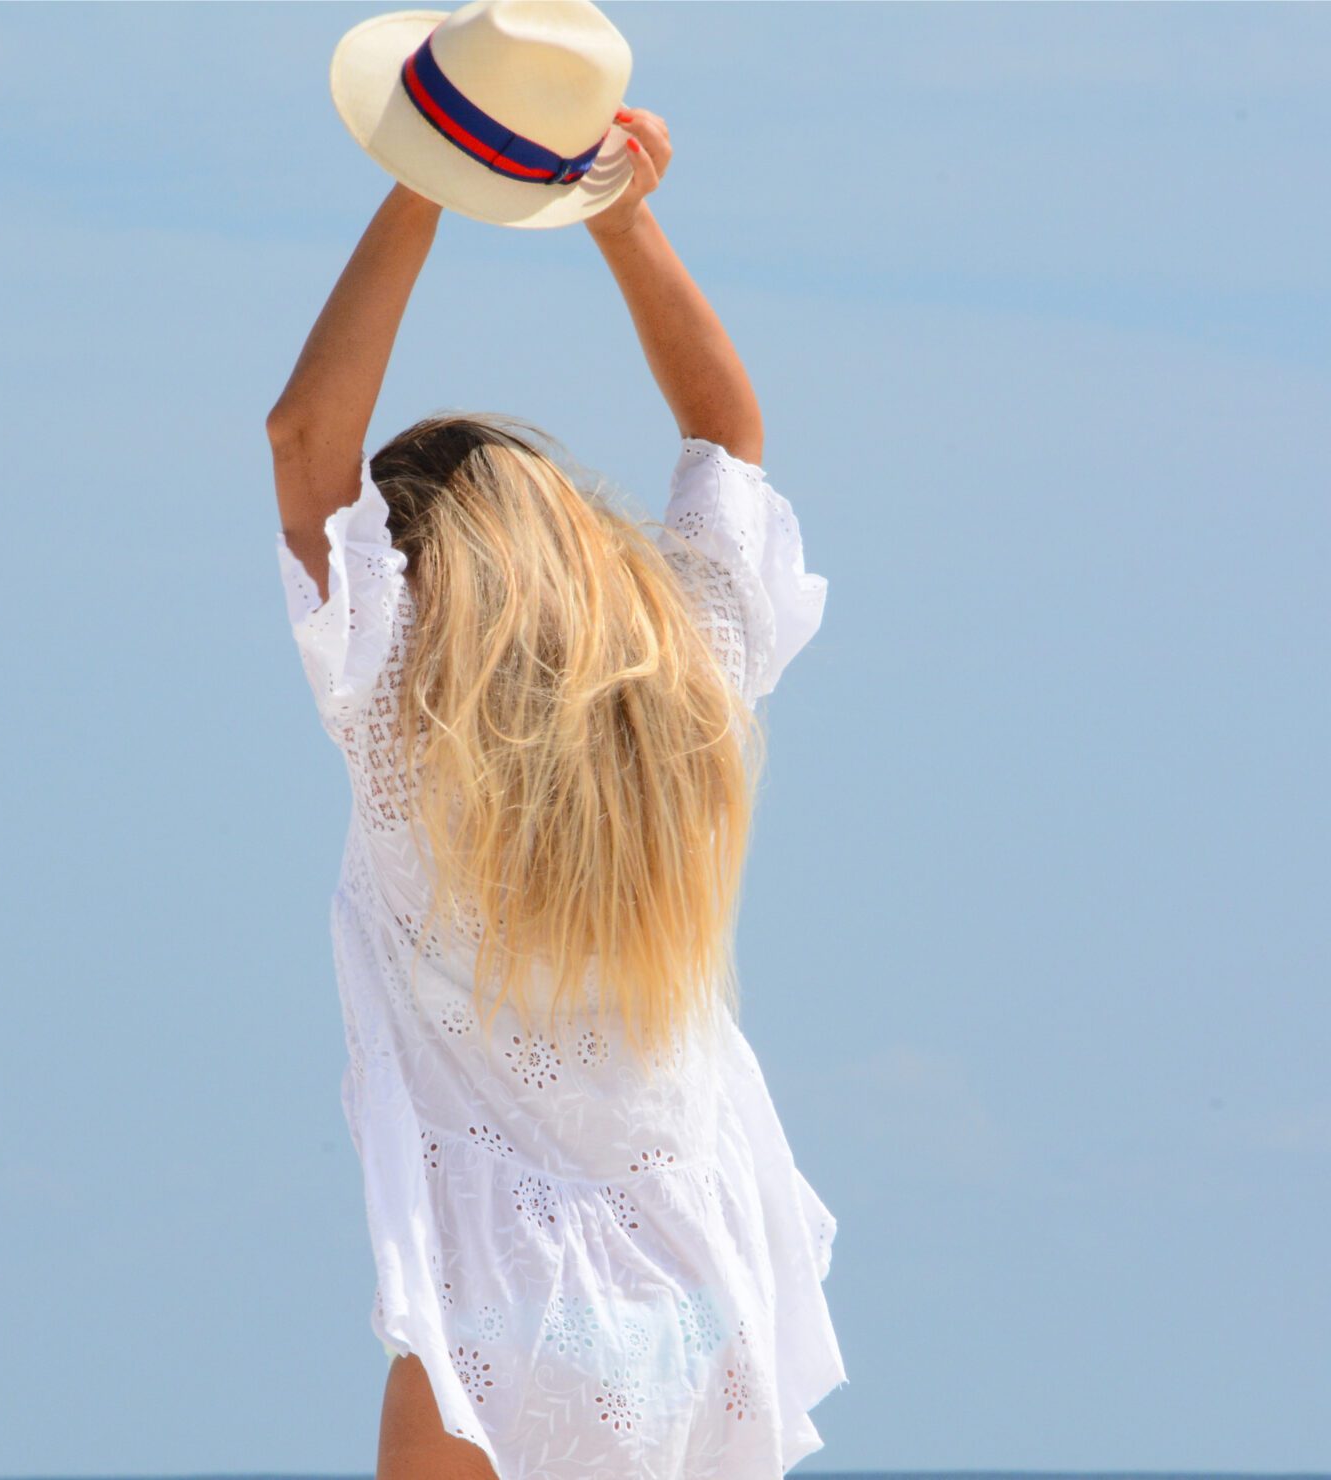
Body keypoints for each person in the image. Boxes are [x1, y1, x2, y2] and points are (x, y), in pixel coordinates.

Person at [268, 101, 844, 1480]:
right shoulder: (689, 675)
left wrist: (431, 175)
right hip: (704, 1289)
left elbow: (303, 440)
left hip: (504, 1300)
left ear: (416, 570)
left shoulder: (403, 715)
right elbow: (726, 430)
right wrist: (623, 218)